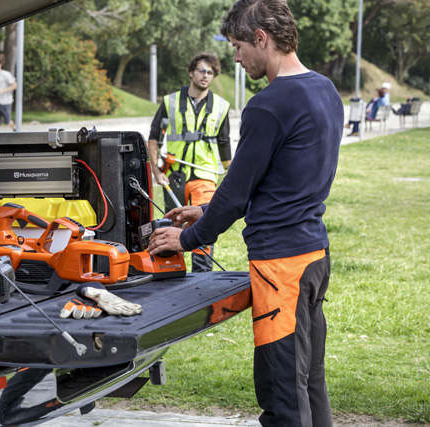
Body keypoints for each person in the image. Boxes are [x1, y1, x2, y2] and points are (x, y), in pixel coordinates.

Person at [147, 1, 343, 426]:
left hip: (281, 266)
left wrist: (187, 239)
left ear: (261, 38)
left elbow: (236, 193)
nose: (234, 58)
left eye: (237, 46)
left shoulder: (268, 104)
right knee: (309, 381)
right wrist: (203, 209)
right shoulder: (324, 89)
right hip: (313, 255)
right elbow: (283, 182)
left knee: (283, 395)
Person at [147, 52, 231, 272]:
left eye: (210, 73)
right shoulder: (170, 102)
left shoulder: (221, 106)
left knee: (203, 225)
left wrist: (231, 175)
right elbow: (154, 137)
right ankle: (171, 272)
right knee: (172, 224)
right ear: (191, 72)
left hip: (205, 176)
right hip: (173, 175)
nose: (205, 76)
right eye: (202, 70)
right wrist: (156, 170)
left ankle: (202, 277)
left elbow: (224, 144)